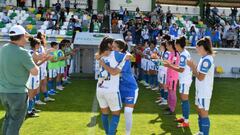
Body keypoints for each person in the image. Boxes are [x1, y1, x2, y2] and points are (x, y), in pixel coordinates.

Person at [0, 25, 38, 135]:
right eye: (25, 36)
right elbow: (34, 71)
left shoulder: (3, 48)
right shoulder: (22, 52)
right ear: (21, 36)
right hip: (17, 92)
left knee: (8, 119)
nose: (26, 39)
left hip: (3, 92)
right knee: (15, 123)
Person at [101, 40, 138, 135]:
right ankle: (113, 130)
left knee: (128, 112)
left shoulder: (125, 58)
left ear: (121, 49)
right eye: (111, 47)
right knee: (114, 110)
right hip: (118, 88)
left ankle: (127, 133)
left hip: (130, 88)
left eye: (115, 47)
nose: (112, 49)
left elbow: (116, 72)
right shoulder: (113, 55)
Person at [95, 37, 126, 135]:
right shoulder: (115, 54)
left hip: (100, 89)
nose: (114, 45)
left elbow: (98, 56)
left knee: (104, 113)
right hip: (111, 89)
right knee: (116, 114)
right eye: (113, 43)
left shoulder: (100, 55)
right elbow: (128, 55)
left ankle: (108, 133)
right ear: (109, 45)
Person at [187, 37, 215, 135]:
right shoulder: (204, 58)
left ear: (202, 47)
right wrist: (194, 68)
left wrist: (193, 67)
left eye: (197, 47)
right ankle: (201, 132)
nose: (196, 49)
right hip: (200, 90)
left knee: (203, 113)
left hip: (204, 91)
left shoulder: (207, 60)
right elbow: (199, 74)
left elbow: (200, 77)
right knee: (199, 111)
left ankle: (204, 133)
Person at [164, 36, 192, 127]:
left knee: (184, 100)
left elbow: (181, 69)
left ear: (178, 45)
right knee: (183, 99)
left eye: (175, 44)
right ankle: (184, 118)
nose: (174, 46)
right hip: (185, 79)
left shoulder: (183, 54)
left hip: (185, 79)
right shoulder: (184, 53)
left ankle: (186, 121)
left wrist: (169, 65)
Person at [26, 37, 49, 117]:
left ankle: (31, 108)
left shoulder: (32, 52)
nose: (40, 46)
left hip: (34, 75)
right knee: (31, 94)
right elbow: (41, 57)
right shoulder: (33, 53)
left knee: (34, 92)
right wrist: (46, 57)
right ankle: (29, 111)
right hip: (32, 76)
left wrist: (44, 58)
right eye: (39, 44)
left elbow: (37, 64)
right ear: (36, 45)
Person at [36, 32, 55, 104]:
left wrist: (49, 54)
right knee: (39, 84)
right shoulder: (39, 47)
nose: (45, 39)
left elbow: (45, 55)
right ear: (42, 38)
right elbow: (39, 57)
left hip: (43, 67)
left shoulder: (43, 47)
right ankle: (37, 100)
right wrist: (48, 55)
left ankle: (46, 97)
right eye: (44, 38)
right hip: (40, 67)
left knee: (44, 83)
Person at [163, 40, 180, 115]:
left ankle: (172, 109)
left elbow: (174, 65)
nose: (166, 47)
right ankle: (170, 106)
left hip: (173, 76)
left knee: (172, 92)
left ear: (171, 45)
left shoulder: (176, 54)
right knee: (169, 92)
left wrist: (166, 64)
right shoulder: (171, 53)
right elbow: (168, 63)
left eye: (167, 45)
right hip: (169, 75)